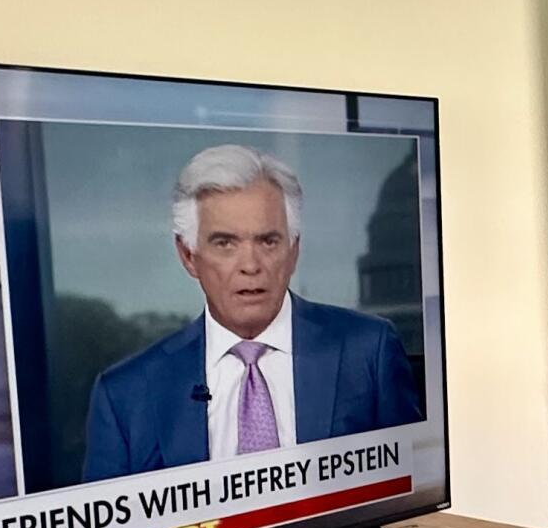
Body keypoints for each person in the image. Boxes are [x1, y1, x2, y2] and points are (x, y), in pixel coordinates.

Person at [80, 145, 424, 481]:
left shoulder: (368, 351)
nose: (250, 265)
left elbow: (414, 487)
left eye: (268, 241)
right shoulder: (125, 395)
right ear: (188, 256)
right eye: (225, 243)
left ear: (293, 250)